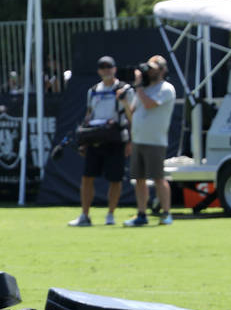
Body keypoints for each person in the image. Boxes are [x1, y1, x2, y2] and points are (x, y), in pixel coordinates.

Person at [68, 55, 134, 227]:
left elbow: (132, 117)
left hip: (115, 139)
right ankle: (85, 215)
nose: (106, 71)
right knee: (87, 177)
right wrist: (83, 139)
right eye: (103, 68)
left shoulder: (125, 89)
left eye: (109, 67)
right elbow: (89, 115)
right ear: (98, 71)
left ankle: (110, 214)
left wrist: (130, 141)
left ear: (115, 69)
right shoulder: (93, 91)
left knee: (115, 179)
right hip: (95, 139)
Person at [125, 55, 176, 226]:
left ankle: (166, 213)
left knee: (158, 178)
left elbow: (149, 105)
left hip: (155, 141)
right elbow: (132, 111)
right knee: (139, 179)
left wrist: (138, 86)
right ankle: (141, 214)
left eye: (153, 68)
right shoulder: (144, 89)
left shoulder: (166, 88)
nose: (150, 71)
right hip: (138, 139)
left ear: (162, 70)